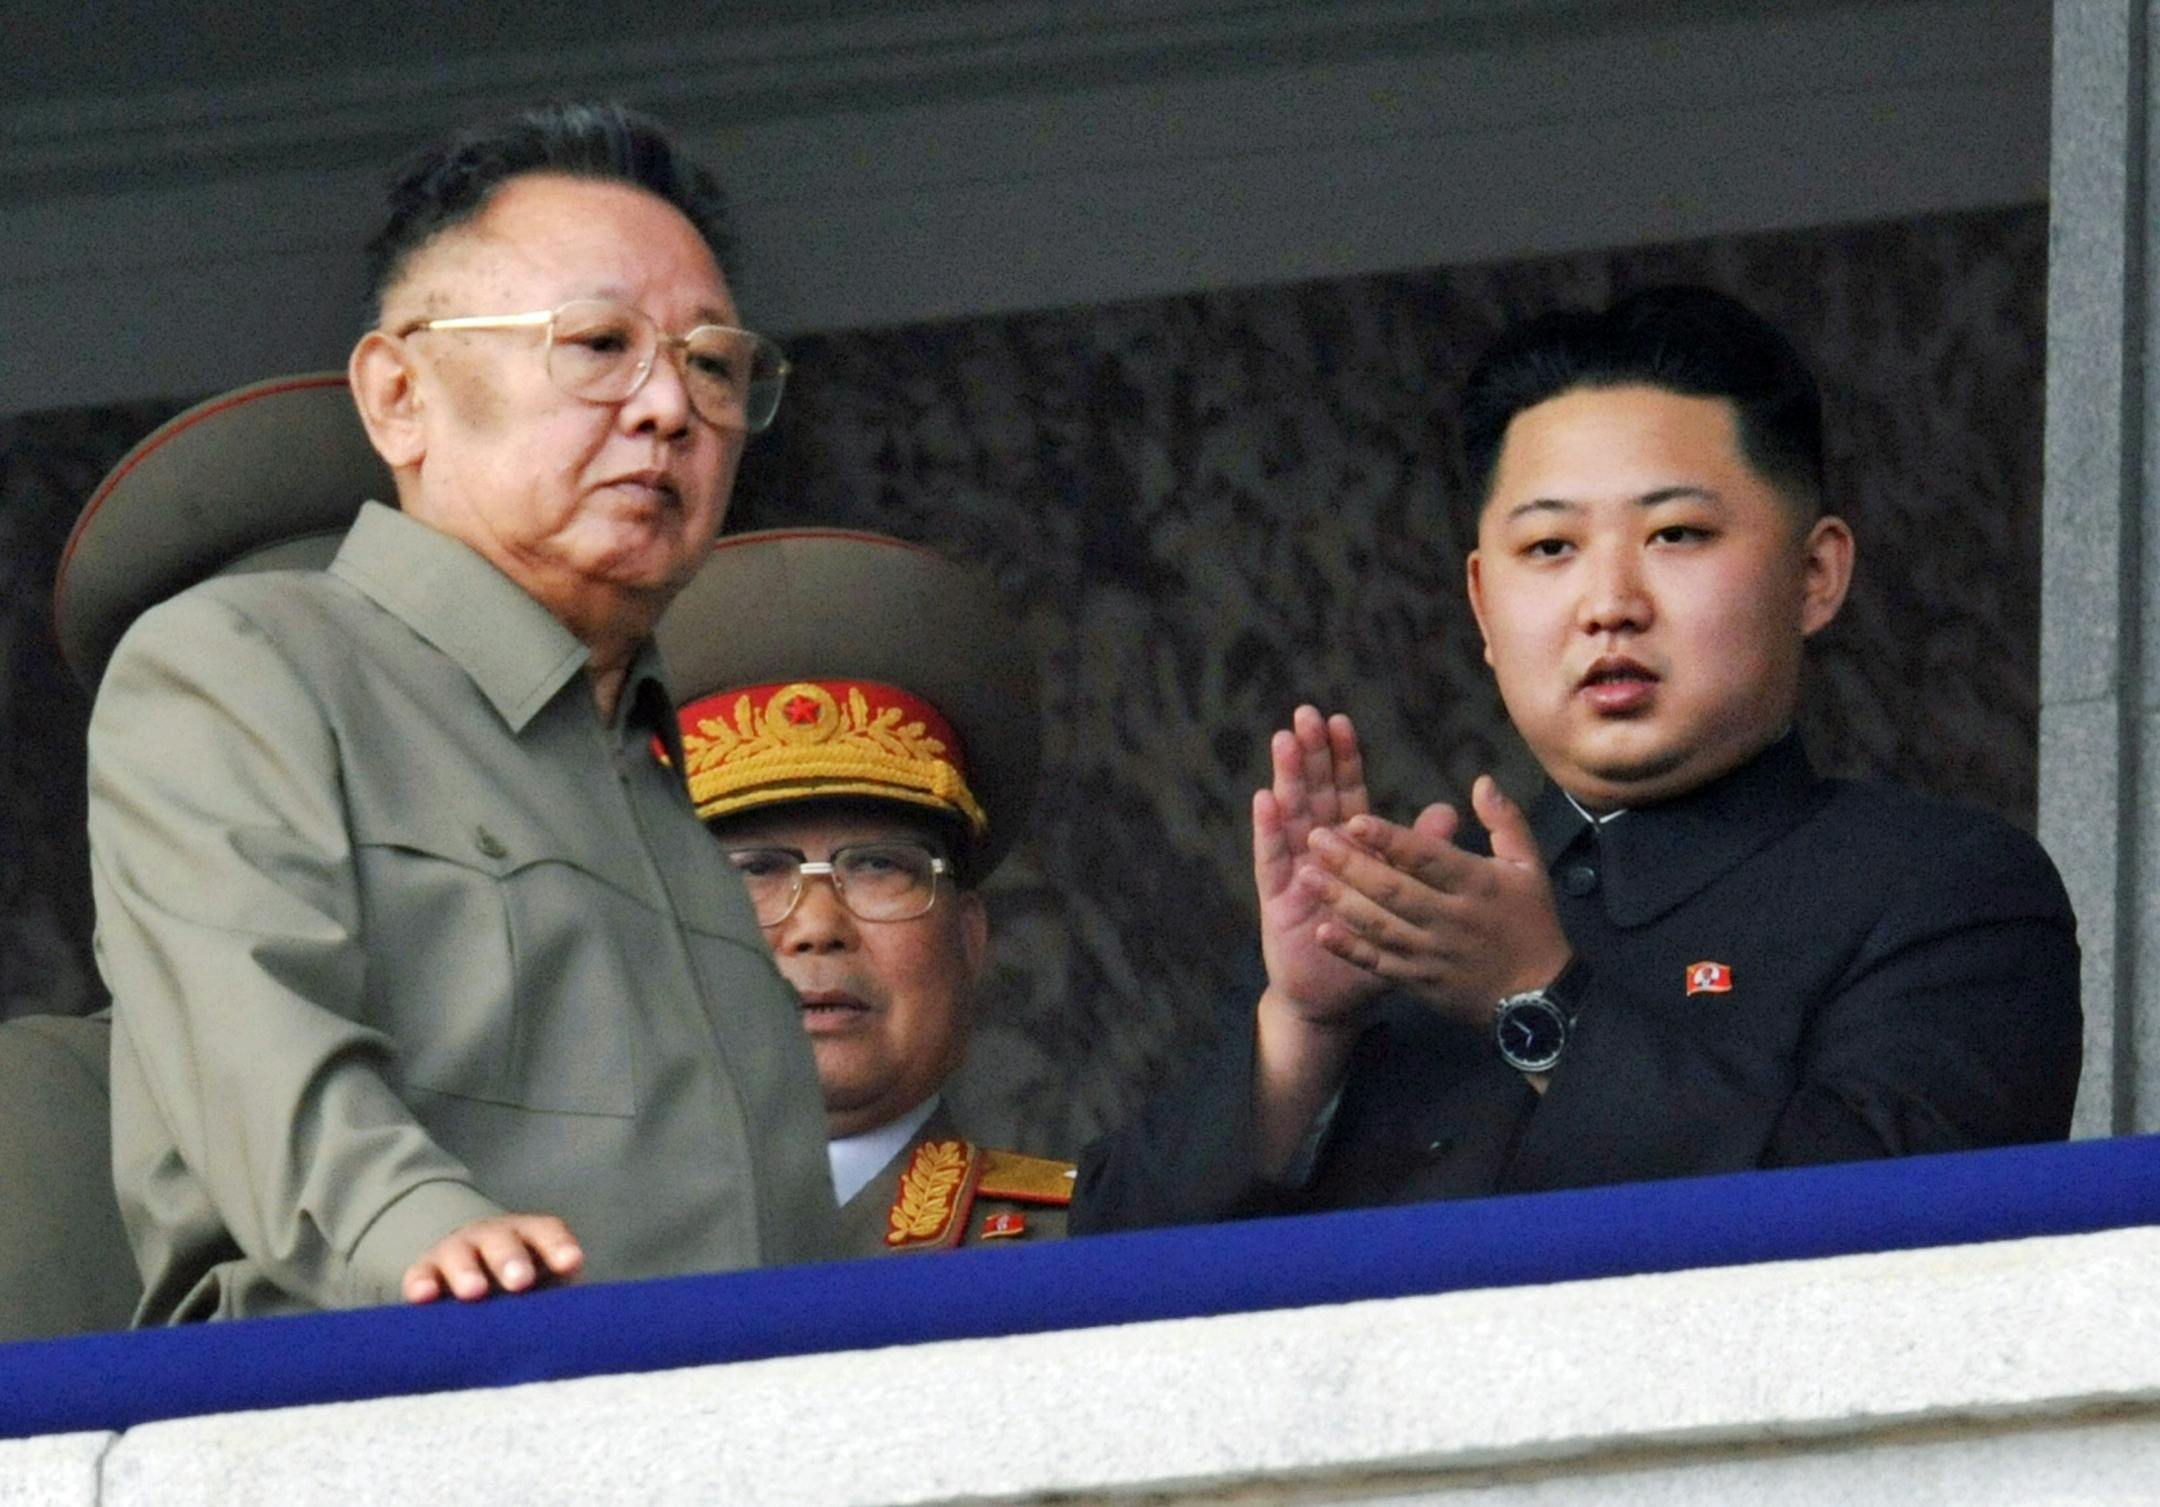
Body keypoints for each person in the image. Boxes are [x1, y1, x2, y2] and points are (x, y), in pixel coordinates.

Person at [1072, 286, 2082, 1229]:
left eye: (1676, 533)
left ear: (1815, 575)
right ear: (1481, 602)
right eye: (1550, 548)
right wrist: (1299, 1032)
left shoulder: (1942, 887)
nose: (1609, 603)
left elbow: (1903, 1242)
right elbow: (1095, 1293)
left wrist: (1544, 1003)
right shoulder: (1395, 911)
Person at [77, 102, 836, 1321]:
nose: (668, 409)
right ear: (399, 397)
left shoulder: (674, 796)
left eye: (711, 363)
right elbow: (251, 1032)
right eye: (598, 343)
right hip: (384, 1422)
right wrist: (423, 1232)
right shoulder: (242, 666)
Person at [655, 528, 1073, 1254]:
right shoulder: (560, 1272)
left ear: (970, 939)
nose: (819, 924)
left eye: (877, 866)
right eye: (754, 870)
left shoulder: (1078, 1253)